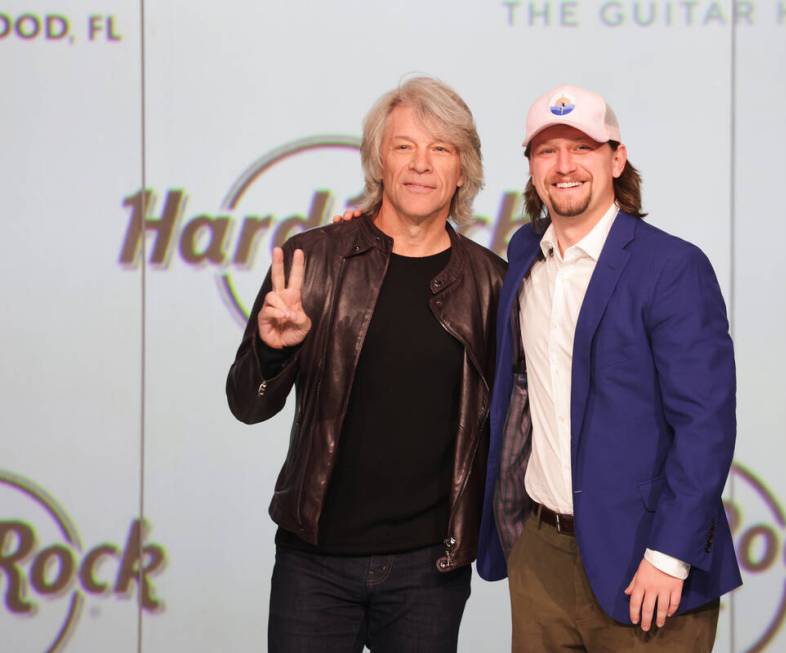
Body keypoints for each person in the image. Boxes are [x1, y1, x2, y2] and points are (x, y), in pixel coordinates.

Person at [226, 77, 506, 653]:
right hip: (315, 563)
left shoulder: (492, 284)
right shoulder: (314, 260)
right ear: (380, 160)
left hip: (429, 569)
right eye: (404, 146)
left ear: (463, 169)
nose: (421, 165)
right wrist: (274, 349)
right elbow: (246, 404)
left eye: (441, 148)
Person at [476, 84, 742, 651]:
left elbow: (706, 426)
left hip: (644, 562)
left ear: (616, 159)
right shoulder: (525, 254)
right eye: (547, 151)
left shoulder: (672, 267)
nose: (565, 165)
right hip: (541, 555)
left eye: (583, 147)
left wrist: (669, 557)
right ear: (531, 167)